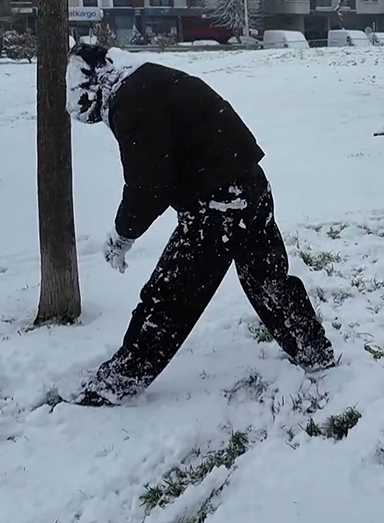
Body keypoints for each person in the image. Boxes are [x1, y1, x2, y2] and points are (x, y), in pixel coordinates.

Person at [65, 43, 336, 406]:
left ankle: (120, 381)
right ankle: (313, 349)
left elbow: (149, 185)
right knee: (267, 278)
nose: (98, 120)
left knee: (169, 297)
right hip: (249, 185)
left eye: (92, 113)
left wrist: (122, 234)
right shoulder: (147, 78)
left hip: (216, 205)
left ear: (92, 90)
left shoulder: (130, 101)